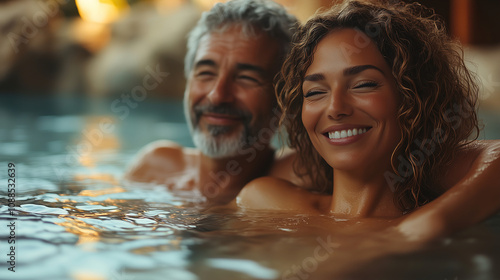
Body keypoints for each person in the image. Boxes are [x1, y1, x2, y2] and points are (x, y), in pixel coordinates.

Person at [235, 0, 500, 240]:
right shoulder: (264, 201)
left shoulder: (429, 226)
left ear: (414, 97)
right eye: (315, 92)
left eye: (363, 85)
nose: (335, 108)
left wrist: (434, 221)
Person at [125, 0, 304, 204]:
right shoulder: (155, 169)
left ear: (285, 96)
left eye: (246, 78)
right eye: (206, 73)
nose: (217, 95)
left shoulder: (302, 182)